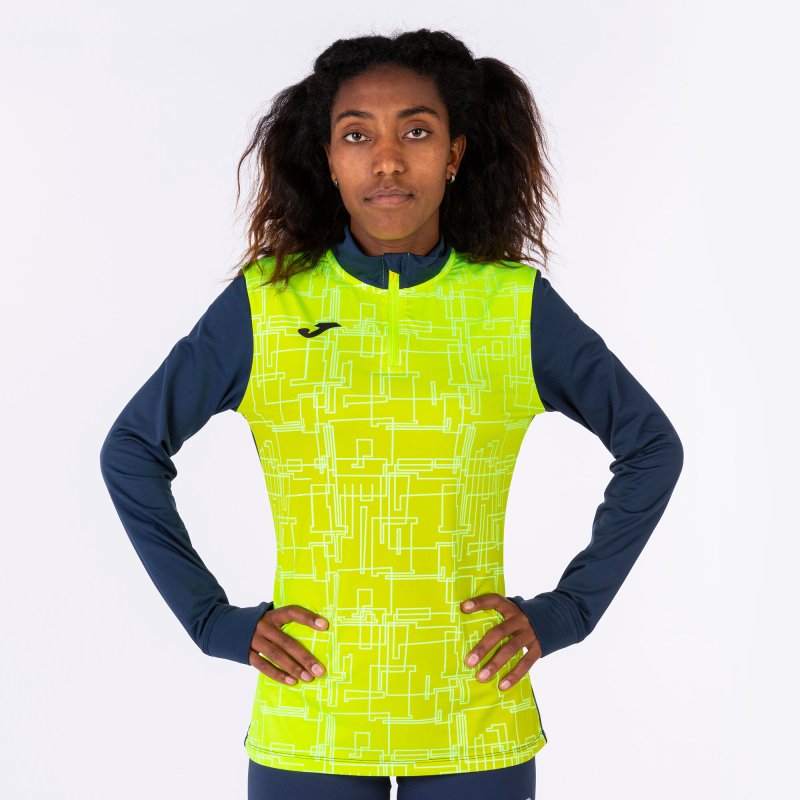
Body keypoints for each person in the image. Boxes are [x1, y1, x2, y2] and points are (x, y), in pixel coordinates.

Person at [99, 28, 684, 800]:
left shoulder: (512, 306)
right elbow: (131, 448)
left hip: (471, 711)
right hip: (314, 714)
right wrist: (210, 621)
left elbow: (651, 446)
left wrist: (568, 612)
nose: (387, 160)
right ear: (328, 159)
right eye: (356, 135)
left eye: (415, 132)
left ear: (454, 154)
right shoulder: (268, 304)